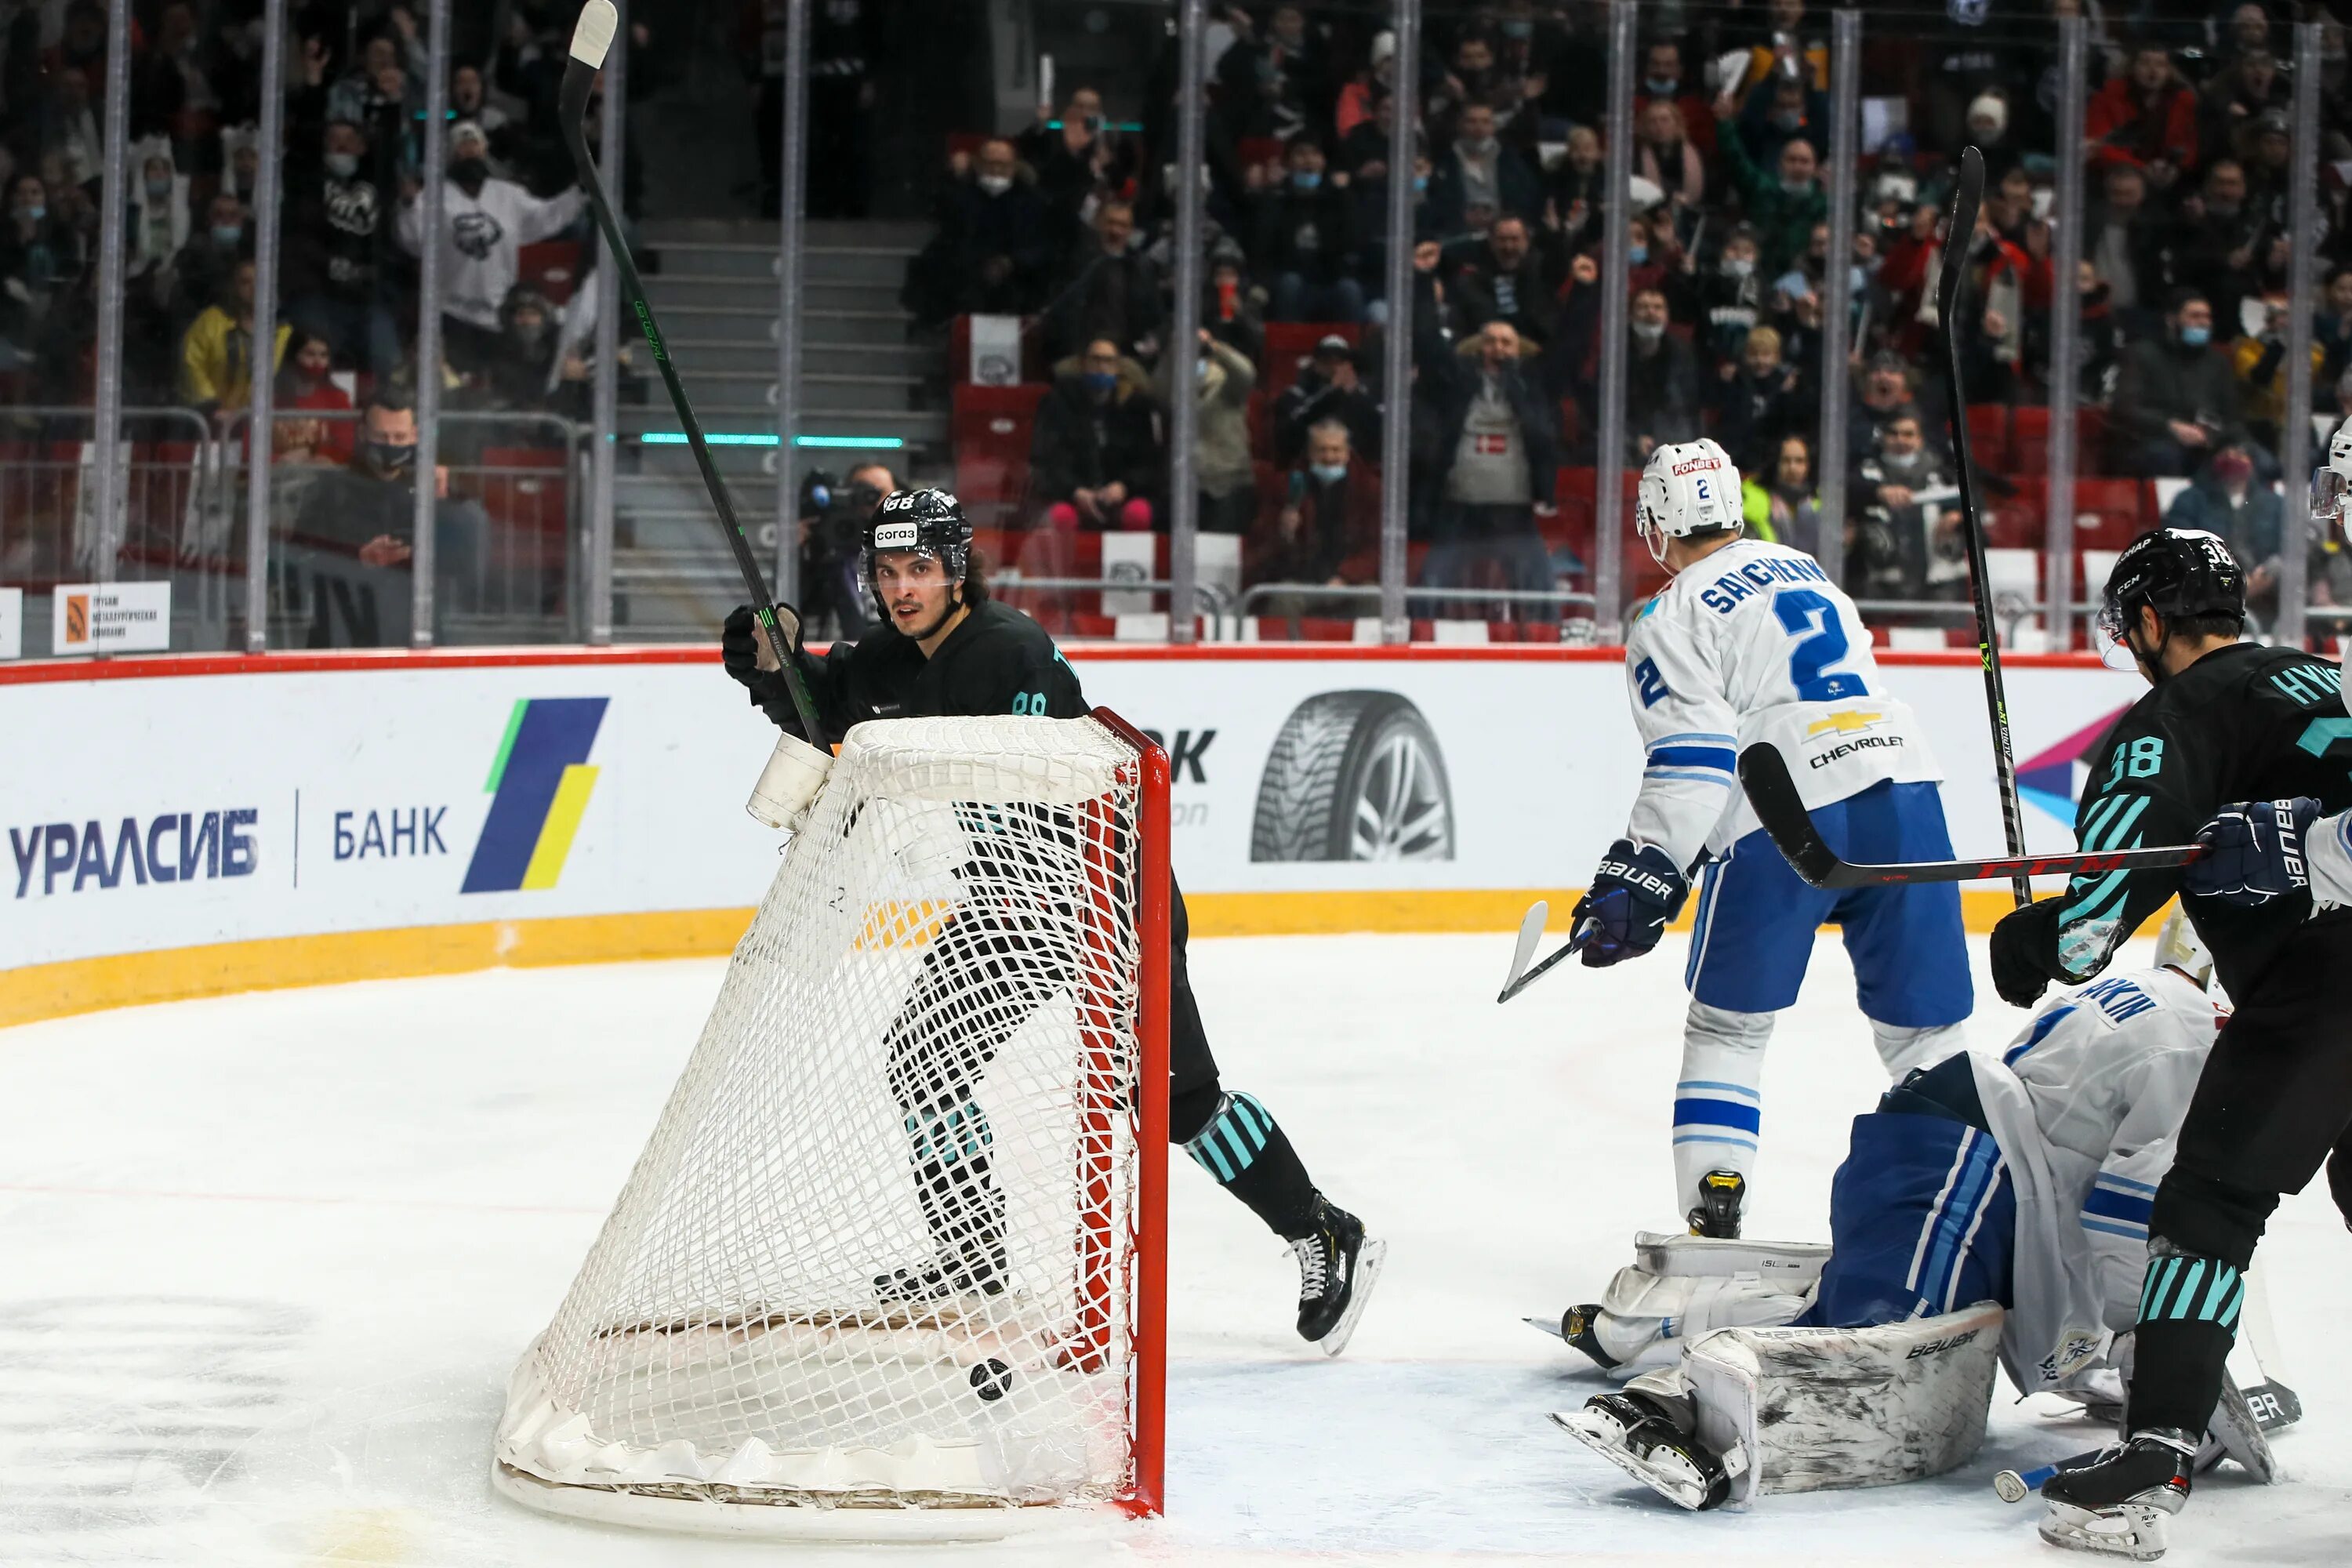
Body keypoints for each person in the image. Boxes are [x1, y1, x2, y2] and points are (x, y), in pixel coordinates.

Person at [717, 490, 1383, 1350]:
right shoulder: (904, 649)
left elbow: (1008, 764)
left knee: (1178, 1102)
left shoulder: (1009, 647)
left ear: (958, 570)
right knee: (926, 1055)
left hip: (1108, 897)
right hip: (1013, 899)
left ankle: (1321, 1226)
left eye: (920, 567)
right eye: (887, 572)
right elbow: (831, 701)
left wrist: (850, 719)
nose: (902, 587)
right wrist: (773, 666)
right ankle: (972, 1252)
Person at [1552, 925, 2271, 1515]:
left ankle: (1658, 1313)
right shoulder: (2204, 1049)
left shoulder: (2164, 995)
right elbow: (2135, 1228)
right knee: (1879, 1353)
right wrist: (2162, 1361)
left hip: (1964, 1158)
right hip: (1965, 1169)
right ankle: (1659, 1405)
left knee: (1888, 1335)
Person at [1982, 524, 2352, 1558]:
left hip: (2324, 981)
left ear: (2149, 622)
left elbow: (2098, 923)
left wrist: (2038, 937)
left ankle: (2156, 1455)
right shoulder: (2323, 679)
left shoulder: (2171, 716)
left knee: (2207, 1204)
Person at [1572, 437, 1969, 1237]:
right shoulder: (1807, 569)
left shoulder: (1671, 611)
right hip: (1906, 787)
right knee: (1928, 1034)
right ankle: (1963, 1213)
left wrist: (1641, 869)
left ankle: (1715, 1218)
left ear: (1659, 517)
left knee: (1729, 1026)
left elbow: (1695, 756)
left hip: (1788, 804)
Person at [396, 121, 586, 376]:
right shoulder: (432, 197)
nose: (469, 152)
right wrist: (409, 205)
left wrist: (578, 193)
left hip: (500, 314)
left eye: (474, 145)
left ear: (484, 151)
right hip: (451, 311)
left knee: (497, 382)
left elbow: (545, 218)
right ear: (451, 154)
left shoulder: (508, 195)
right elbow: (412, 241)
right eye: (462, 147)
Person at [2112, 290, 2245, 478]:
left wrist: (2215, 436)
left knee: (2260, 461)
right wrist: (2171, 426)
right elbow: (2125, 407)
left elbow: (2233, 416)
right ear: (2172, 320)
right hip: (2157, 439)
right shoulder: (2142, 355)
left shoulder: (2218, 362)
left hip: (2209, 442)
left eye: (2207, 317)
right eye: (2194, 316)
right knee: (2165, 456)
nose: (2203, 322)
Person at [1253, 417, 1381, 612]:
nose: (1329, 457)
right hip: (1303, 579)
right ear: (1310, 453)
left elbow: (1377, 548)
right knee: (1284, 599)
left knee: (1374, 598)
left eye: (1336, 449)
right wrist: (1285, 533)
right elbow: (1263, 545)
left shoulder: (1369, 489)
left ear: (1347, 453)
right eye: (1322, 449)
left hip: (1350, 581)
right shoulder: (1285, 486)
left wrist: (1346, 576)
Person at [1848, 411, 1967, 604]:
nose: (1900, 440)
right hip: (1879, 587)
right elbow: (1843, 494)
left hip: (1940, 587)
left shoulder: (1945, 472)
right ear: (1882, 437)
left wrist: (1957, 517)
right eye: (1893, 434)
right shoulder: (1865, 472)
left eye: (1908, 434)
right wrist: (1877, 492)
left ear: (1920, 439)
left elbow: (1977, 507)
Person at [1256, 138, 1362, 324]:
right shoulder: (1276, 198)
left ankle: (1350, 351)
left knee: (1349, 289)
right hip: (1290, 278)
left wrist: (1340, 195)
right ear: (1288, 162)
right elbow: (1264, 246)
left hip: (1329, 280)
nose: (1308, 160)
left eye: (1314, 154)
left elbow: (1350, 241)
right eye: (1301, 154)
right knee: (1290, 284)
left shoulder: (1338, 198)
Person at [180, 259, 289, 421]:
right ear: (233, 288)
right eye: (246, 282)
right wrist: (212, 408)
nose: (255, 288)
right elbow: (191, 364)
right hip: (214, 423)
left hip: (266, 422)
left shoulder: (286, 330)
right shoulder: (209, 323)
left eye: (262, 281)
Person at [1272, 333, 1379, 468]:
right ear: (1315, 364)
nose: (1333, 368)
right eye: (1327, 361)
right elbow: (1288, 436)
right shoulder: (1294, 395)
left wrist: (1354, 394)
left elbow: (1378, 430)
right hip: (1307, 467)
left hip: (1353, 468)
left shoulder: (1361, 396)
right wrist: (1333, 394)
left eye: (1339, 362)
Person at [1741, 434, 1824, 557]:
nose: (1792, 468)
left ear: (1809, 465)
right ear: (1776, 463)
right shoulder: (1752, 499)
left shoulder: (1822, 502)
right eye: (1786, 461)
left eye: (1799, 461)